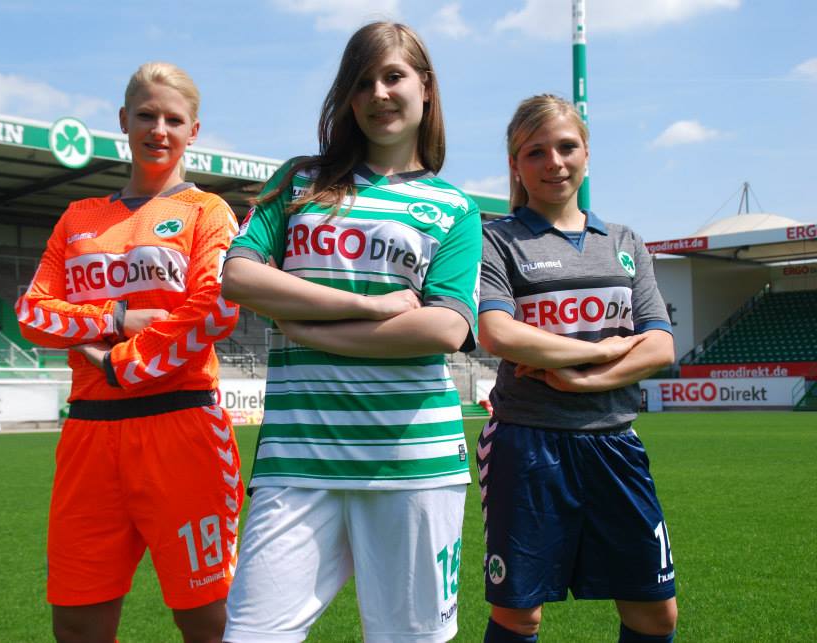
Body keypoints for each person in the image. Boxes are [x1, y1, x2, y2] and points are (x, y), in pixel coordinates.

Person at [220, 21, 482, 643]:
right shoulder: (299, 181)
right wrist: (367, 307)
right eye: (362, 82)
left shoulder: (455, 207)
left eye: (393, 77)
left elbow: (445, 326)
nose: (379, 94)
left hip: (413, 462)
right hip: (297, 458)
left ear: (426, 87)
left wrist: (315, 332)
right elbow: (239, 277)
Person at [15, 62, 243, 643]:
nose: (158, 130)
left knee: (208, 619)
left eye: (174, 119)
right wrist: (115, 318)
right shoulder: (79, 217)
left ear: (194, 130)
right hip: (89, 437)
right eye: (146, 115)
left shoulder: (208, 211)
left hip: (183, 430)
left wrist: (119, 361)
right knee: (76, 622)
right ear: (123, 120)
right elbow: (33, 312)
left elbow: (214, 308)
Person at [476, 94, 678, 643]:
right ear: (515, 164)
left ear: (587, 153)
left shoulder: (625, 242)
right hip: (527, 444)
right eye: (535, 152)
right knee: (519, 614)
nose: (554, 163)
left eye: (567, 147)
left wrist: (584, 378)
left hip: (615, 443)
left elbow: (660, 345)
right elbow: (498, 333)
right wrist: (604, 349)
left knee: (655, 613)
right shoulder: (496, 240)